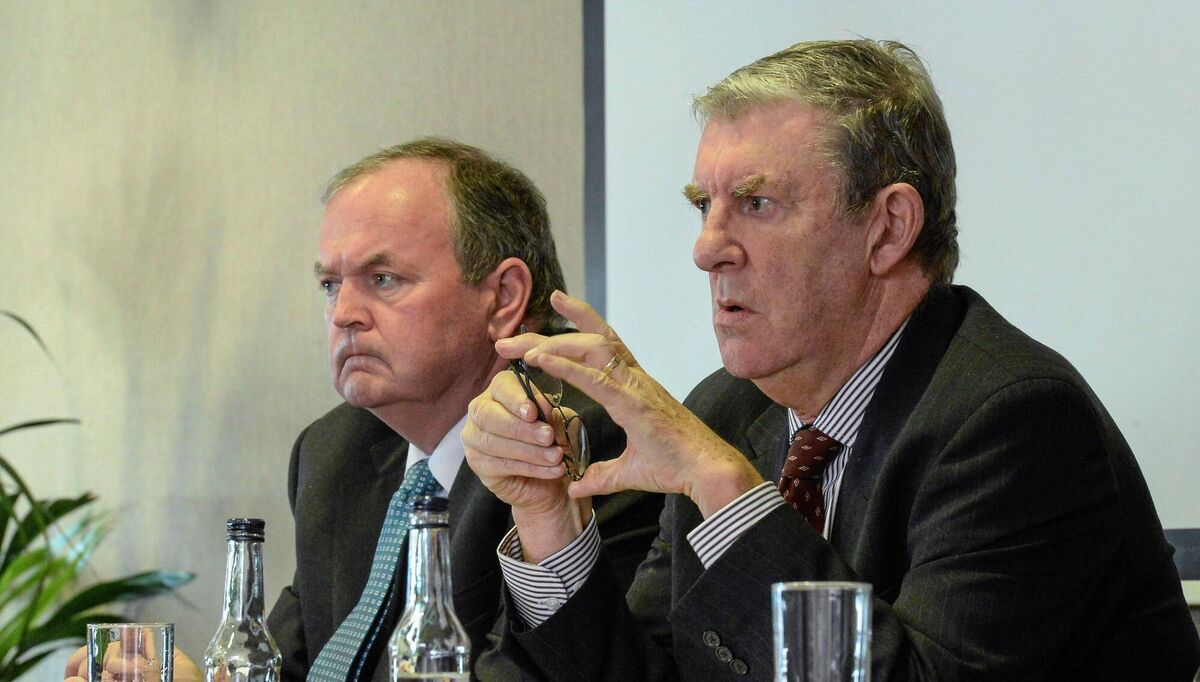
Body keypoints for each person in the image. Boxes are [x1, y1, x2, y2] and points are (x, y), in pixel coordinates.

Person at [463, 40, 1200, 680]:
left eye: (755, 204)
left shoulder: (1014, 421)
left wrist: (725, 487)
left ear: (887, 230)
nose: (707, 247)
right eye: (703, 206)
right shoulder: (731, 408)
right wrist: (550, 519)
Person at [65, 138, 661, 682]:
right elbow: (298, 666)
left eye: (383, 278)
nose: (344, 312)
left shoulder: (585, 440)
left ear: (503, 298)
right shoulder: (334, 453)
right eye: (330, 284)